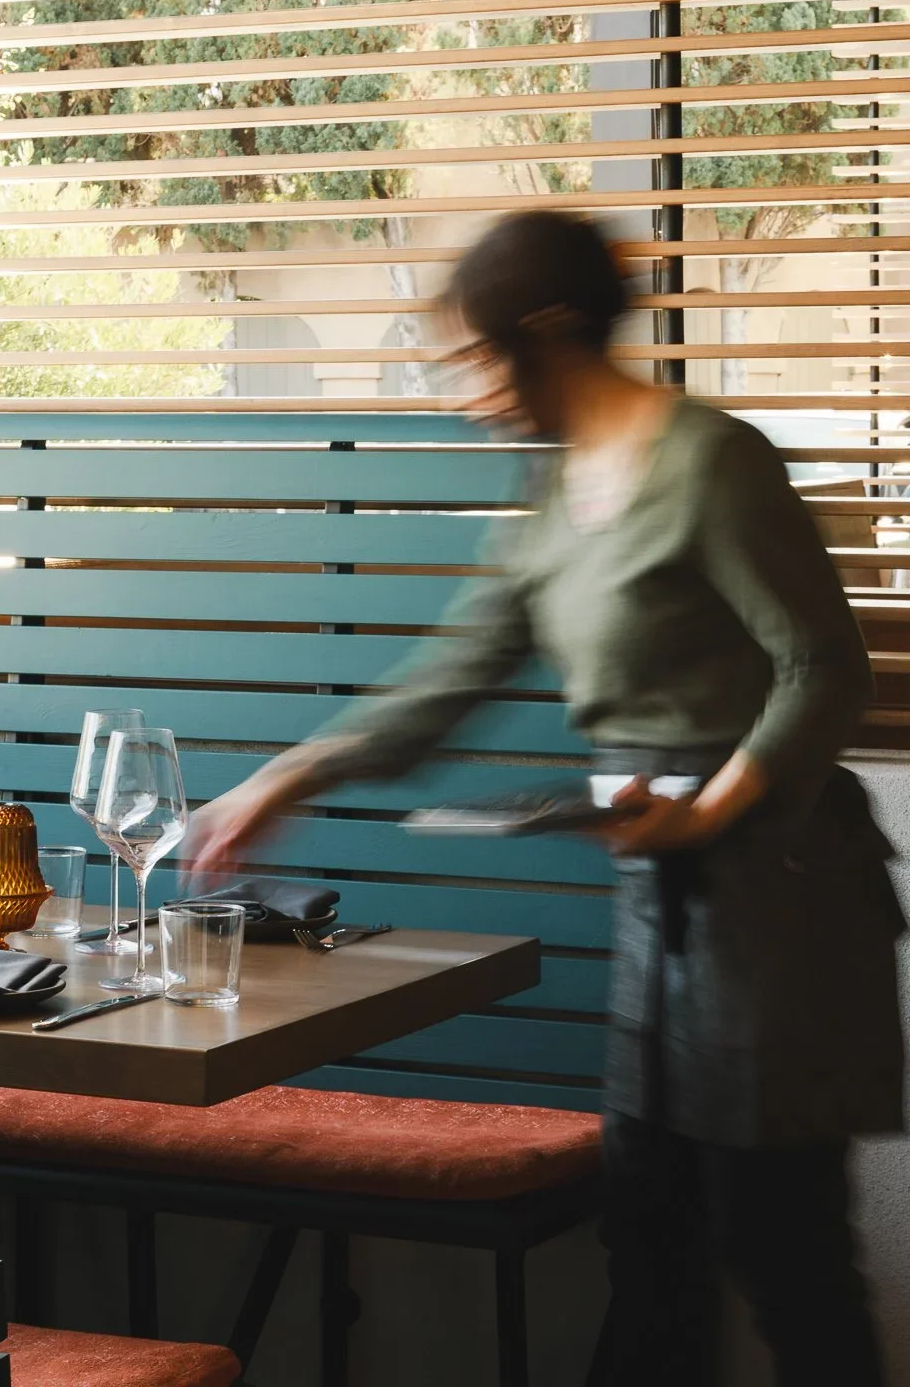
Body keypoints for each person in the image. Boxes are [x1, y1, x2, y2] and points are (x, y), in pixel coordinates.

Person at [187, 209, 904, 1387]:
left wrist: (713, 813)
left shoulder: (711, 461)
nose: (461, 392)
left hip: (782, 893)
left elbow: (825, 669)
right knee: (652, 1240)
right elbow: (456, 667)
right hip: (664, 887)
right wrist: (288, 775)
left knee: (785, 1257)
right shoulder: (552, 492)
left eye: (471, 358)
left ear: (553, 331)